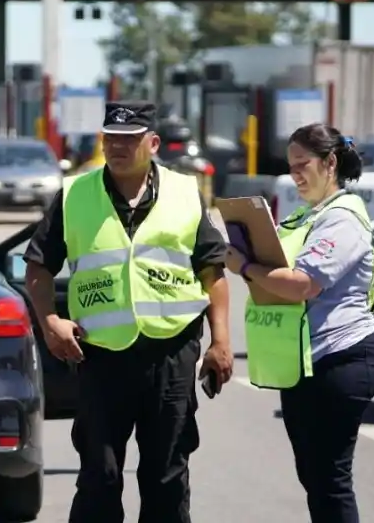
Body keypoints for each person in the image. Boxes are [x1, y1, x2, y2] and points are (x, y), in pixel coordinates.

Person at [24, 101, 232, 523]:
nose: (117, 147)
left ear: (152, 144)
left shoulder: (184, 192)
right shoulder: (75, 194)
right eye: (111, 139)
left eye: (129, 140)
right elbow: (38, 267)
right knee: (99, 477)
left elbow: (212, 271)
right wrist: (49, 322)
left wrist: (221, 341)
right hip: (101, 357)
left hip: (171, 354)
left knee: (166, 477)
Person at [226, 123, 374, 523]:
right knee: (314, 477)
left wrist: (244, 266)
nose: (294, 174)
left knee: (329, 479)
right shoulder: (307, 215)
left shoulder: (343, 218)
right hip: (305, 361)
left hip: (342, 357)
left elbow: (302, 284)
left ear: (330, 163)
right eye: (291, 165)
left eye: (303, 164)